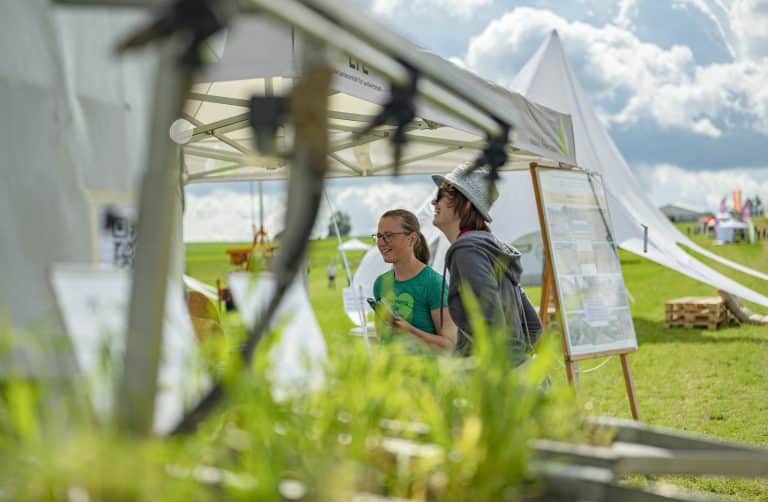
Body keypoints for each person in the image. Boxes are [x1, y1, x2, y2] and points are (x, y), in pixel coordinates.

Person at [432, 163, 541, 367]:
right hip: (514, 370)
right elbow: (534, 328)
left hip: (494, 375)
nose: (433, 201)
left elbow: (491, 324)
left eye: (441, 195)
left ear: (466, 204)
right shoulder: (492, 250)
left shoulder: (468, 251)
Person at [372, 209, 456, 352]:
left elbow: (449, 346)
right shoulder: (380, 284)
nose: (381, 242)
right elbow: (382, 336)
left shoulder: (434, 284)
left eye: (388, 236)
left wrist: (409, 331)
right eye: (379, 236)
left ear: (411, 239)